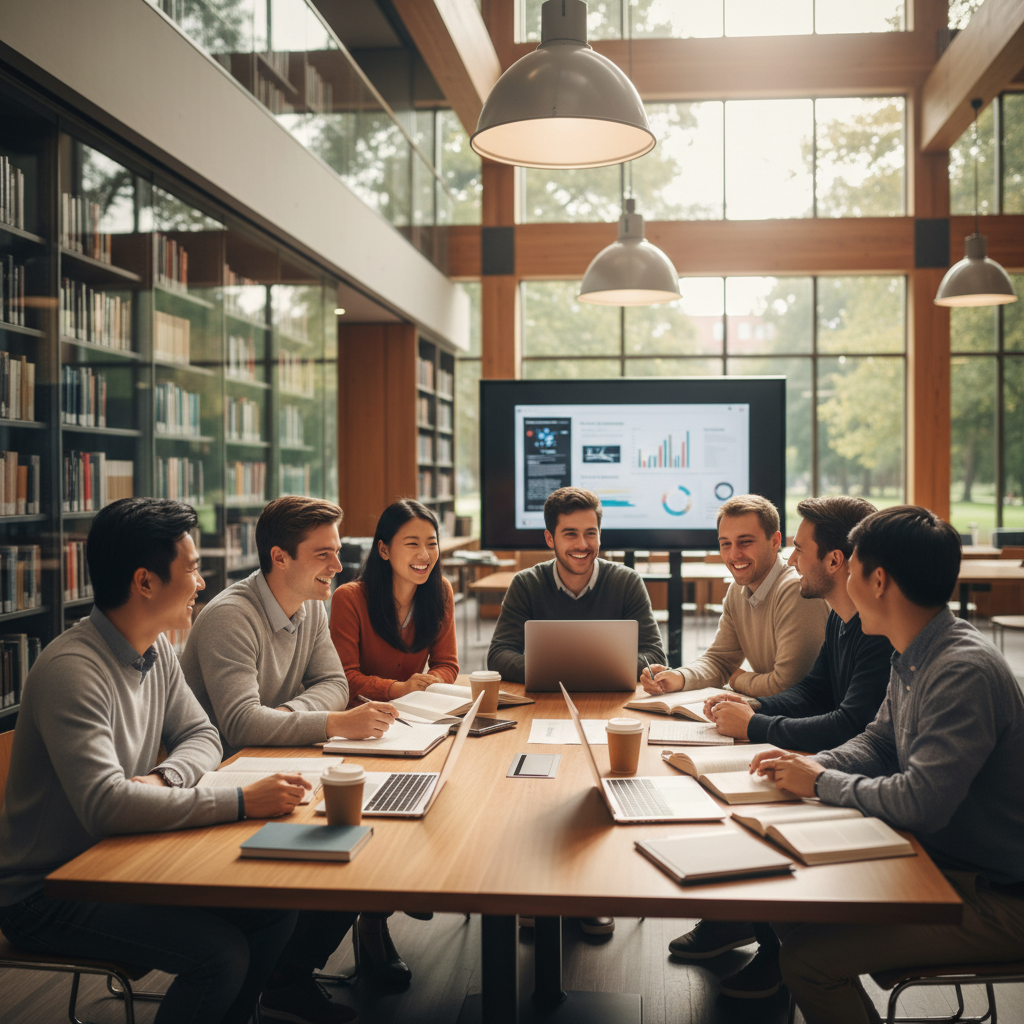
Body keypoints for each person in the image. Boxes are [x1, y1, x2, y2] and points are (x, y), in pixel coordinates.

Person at [0, 498, 303, 1024]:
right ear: (145, 582)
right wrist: (237, 801)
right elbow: (105, 806)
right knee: (220, 956)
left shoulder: (156, 650)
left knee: (275, 905)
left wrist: (165, 777)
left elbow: (201, 732)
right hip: (47, 889)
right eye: (191, 569)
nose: (203, 583)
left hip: (124, 858)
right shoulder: (73, 671)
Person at [750, 506, 1024, 1024]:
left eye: (851, 567)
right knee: (786, 905)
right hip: (943, 864)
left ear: (877, 580)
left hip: (997, 895)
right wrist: (808, 765)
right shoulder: (917, 650)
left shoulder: (960, 670)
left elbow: (921, 803)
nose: (844, 578)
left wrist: (822, 780)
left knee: (806, 960)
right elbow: (878, 742)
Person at [181, 495, 400, 1021]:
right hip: (229, 783)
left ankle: (287, 975)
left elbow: (332, 684)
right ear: (280, 557)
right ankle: (283, 976)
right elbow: (241, 725)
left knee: (363, 846)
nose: (338, 566)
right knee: (343, 851)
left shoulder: (312, 607)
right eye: (324, 554)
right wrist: (327, 722)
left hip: (285, 764)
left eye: (338, 551)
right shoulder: (230, 617)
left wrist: (287, 714)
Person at [668, 495, 894, 998]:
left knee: (749, 800)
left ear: (836, 560)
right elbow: (813, 691)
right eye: (725, 543)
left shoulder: (874, 628)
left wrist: (755, 725)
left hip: (866, 779)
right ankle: (741, 919)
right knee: (728, 784)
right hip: (844, 760)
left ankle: (773, 946)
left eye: (796, 547)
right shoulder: (843, 617)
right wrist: (751, 717)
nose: (793, 561)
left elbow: (850, 722)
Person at [487, 485, 665, 937]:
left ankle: (591, 891)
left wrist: (592, 665)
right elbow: (499, 653)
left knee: (601, 785)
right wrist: (554, 668)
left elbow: (654, 651)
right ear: (550, 539)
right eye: (570, 534)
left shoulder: (626, 582)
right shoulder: (527, 584)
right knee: (529, 789)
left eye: (591, 532)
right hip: (539, 708)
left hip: (609, 707)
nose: (582, 544)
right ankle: (534, 889)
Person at [641, 493, 828, 699]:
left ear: (775, 542)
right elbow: (720, 661)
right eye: (725, 544)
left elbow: (787, 686)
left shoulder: (796, 590)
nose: (733, 555)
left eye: (745, 542)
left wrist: (736, 679)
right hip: (773, 714)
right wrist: (678, 677)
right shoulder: (737, 591)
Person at [330, 499, 458, 703]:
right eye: (412, 544)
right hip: (361, 716)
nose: (424, 555)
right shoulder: (349, 598)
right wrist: (400, 689)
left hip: (416, 710)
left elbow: (446, 663)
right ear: (384, 550)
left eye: (432, 544)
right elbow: (344, 678)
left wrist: (432, 681)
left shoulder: (441, 591)